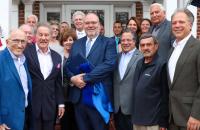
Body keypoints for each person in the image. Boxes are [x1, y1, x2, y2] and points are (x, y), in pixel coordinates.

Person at [65, 13, 117, 130]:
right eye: (87, 23)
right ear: (83, 25)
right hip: (79, 98)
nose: (90, 25)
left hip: (98, 97)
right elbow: (68, 65)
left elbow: (109, 65)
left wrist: (84, 78)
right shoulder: (77, 43)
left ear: (99, 25)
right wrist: (72, 78)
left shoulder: (109, 42)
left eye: (93, 23)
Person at [24, 23, 65, 130]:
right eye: (40, 35)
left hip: (50, 106)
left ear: (51, 36)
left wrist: (61, 103)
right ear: (35, 36)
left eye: (46, 35)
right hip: (31, 105)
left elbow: (57, 82)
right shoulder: (26, 52)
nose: (43, 38)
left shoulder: (57, 56)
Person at [168, 9, 200, 130]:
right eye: (174, 23)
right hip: (172, 117)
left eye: (181, 22)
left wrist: (197, 115)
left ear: (190, 25)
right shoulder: (172, 49)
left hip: (191, 118)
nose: (177, 25)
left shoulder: (197, 47)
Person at [132, 33, 169, 130]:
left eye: (149, 44)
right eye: (142, 45)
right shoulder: (139, 63)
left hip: (153, 122)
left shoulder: (162, 65)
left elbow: (165, 96)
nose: (145, 48)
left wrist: (163, 122)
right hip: (137, 120)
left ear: (156, 46)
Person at [0, 29, 32, 130]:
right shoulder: (1, 60)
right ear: (7, 42)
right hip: (6, 120)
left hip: (25, 117)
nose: (20, 45)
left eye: (23, 41)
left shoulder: (23, 60)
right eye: (16, 40)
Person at [113, 29, 143, 130]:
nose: (125, 43)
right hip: (117, 107)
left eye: (128, 40)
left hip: (134, 107)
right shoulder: (115, 57)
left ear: (134, 41)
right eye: (123, 40)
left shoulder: (142, 57)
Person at [59, 28, 78, 130]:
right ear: (62, 42)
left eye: (71, 40)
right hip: (63, 96)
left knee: (77, 124)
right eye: (65, 40)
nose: (68, 42)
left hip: (76, 96)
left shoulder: (79, 56)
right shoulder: (58, 56)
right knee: (65, 124)